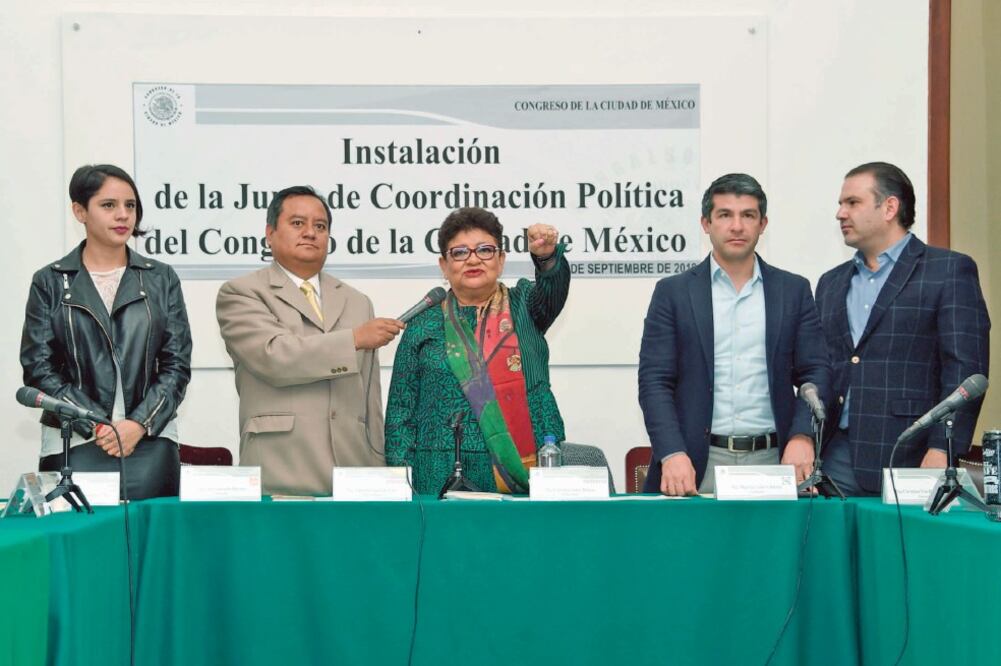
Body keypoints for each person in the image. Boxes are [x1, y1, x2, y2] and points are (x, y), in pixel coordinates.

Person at [638, 173, 831, 496]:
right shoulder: (673, 293)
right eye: (725, 215)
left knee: (773, 548)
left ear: (763, 224)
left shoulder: (793, 291)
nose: (737, 226)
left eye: (748, 215)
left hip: (775, 459)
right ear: (706, 224)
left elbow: (816, 371)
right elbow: (654, 380)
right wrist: (671, 452)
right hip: (696, 461)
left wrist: (802, 436)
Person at [815, 162, 990, 495]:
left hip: (911, 456)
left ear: (890, 208)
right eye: (841, 203)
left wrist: (942, 448)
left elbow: (965, 370)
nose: (840, 213)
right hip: (834, 459)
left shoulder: (948, 271)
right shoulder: (831, 282)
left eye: (852, 202)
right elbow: (824, 367)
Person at [216, 185, 403, 496]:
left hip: (353, 471)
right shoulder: (242, 292)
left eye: (320, 226)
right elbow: (274, 356)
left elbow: (369, 397)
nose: (311, 233)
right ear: (270, 232)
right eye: (297, 223)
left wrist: (376, 466)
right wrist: (353, 339)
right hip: (282, 467)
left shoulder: (357, 301)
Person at [20, 164, 192, 500]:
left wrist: (138, 423)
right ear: (79, 211)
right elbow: (38, 369)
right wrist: (97, 424)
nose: (123, 215)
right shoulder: (50, 281)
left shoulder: (160, 278)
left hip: (148, 440)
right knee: (80, 545)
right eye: (109, 205)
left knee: (149, 545)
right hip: (75, 439)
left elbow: (176, 365)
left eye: (130, 206)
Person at [385, 207, 569, 494]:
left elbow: (552, 288)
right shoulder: (423, 324)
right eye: (459, 252)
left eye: (485, 250)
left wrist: (546, 257)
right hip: (438, 473)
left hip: (526, 466)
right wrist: (400, 484)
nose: (472, 259)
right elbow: (400, 412)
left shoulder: (525, 306)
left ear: (501, 259)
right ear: (443, 265)